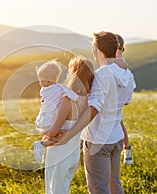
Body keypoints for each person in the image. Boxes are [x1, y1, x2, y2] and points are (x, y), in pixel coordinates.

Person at [54, 32, 136, 194]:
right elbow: (126, 101)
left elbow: (94, 108)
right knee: (115, 184)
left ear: (98, 50)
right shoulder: (128, 75)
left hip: (97, 140)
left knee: (98, 188)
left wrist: (69, 134)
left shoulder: (101, 75)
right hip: (117, 137)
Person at [36, 57, 95, 194]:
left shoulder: (67, 100)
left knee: (54, 191)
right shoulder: (87, 100)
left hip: (58, 153)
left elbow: (53, 131)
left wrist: (42, 131)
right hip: (73, 154)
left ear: (74, 74)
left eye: (69, 71)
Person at [33, 60, 80, 164]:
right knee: (59, 135)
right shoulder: (60, 88)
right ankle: (42, 145)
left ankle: (41, 145)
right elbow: (73, 96)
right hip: (51, 120)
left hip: (43, 120)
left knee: (52, 134)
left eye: (41, 80)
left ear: (47, 81)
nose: (40, 83)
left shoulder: (43, 90)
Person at [115, 34, 134, 165]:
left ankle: (127, 149)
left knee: (119, 123)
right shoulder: (119, 62)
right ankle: (127, 150)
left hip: (115, 99)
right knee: (119, 123)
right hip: (119, 99)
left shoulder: (119, 62)